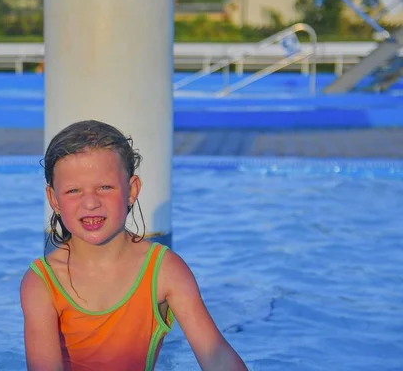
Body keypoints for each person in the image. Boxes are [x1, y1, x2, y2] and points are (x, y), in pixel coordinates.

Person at [20, 120, 248, 371]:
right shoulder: (43, 282)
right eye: (74, 191)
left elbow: (215, 356)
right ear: (53, 199)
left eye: (105, 187)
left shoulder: (164, 271)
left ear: (131, 190)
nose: (90, 203)